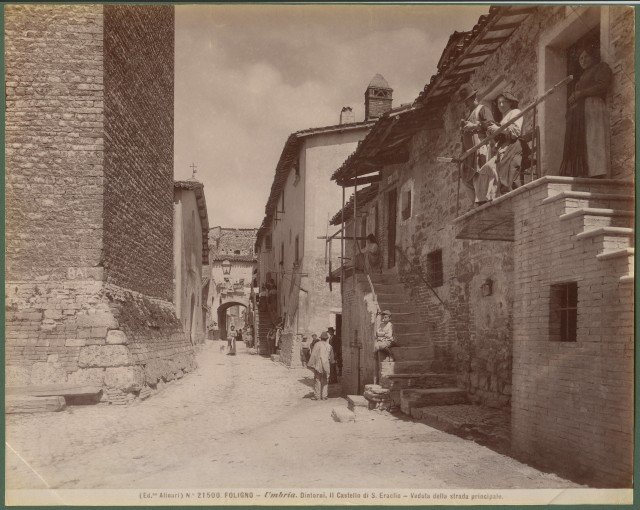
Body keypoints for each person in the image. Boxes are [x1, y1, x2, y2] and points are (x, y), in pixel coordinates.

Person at [559, 44, 612, 178]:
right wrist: (575, 97)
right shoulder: (582, 76)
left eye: (585, 56)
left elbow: (602, 86)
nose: (582, 60)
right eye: (580, 58)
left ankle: (597, 172)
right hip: (582, 111)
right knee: (585, 142)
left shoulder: (601, 67)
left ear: (593, 57)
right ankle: (585, 172)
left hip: (593, 107)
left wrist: (580, 93)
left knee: (594, 139)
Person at [475, 91, 523, 204]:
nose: (501, 105)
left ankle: (497, 196)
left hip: (513, 146)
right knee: (484, 169)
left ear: (510, 102)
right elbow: (498, 137)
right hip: (502, 148)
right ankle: (486, 200)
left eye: (504, 102)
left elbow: (515, 132)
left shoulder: (515, 112)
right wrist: (491, 134)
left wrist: (497, 129)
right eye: (499, 102)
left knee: (494, 168)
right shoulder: (503, 118)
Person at [458, 84, 495, 203]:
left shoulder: (482, 109)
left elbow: (491, 125)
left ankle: (482, 201)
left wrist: (474, 126)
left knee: (479, 174)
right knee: (466, 178)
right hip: (469, 153)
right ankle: (475, 204)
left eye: (467, 101)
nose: (465, 104)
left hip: (481, 148)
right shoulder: (468, 116)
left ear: (474, 98)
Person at [307, 331, 335, 400]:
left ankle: (317, 396)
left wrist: (310, 364)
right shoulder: (330, 346)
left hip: (318, 364)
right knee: (325, 380)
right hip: (326, 364)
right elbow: (332, 359)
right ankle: (324, 396)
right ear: (327, 338)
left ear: (321, 338)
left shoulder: (317, 344)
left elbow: (313, 355)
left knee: (317, 379)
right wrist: (331, 365)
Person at [373, 310, 395, 384]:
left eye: (386, 317)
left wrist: (382, 334)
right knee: (376, 346)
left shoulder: (390, 325)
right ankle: (375, 356)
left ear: (389, 318)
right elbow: (377, 333)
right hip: (381, 340)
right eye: (383, 317)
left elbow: (389, 335)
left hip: (388, 341)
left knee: (382, 345)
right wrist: (383, 334)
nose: (384, 318)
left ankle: (390, 355)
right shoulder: (381, 325)